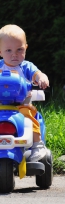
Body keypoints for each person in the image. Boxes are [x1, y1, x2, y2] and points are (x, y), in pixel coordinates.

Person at [0, 24, 49, 162]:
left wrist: (41, 78)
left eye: (19, 49)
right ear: (0, 51)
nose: (14, 54)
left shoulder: (26, 67)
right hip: (0, 107)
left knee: (31, 118)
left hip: (21, 106)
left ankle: (37, 145)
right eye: (8, 50)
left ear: (26, 48)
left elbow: (36, 74)